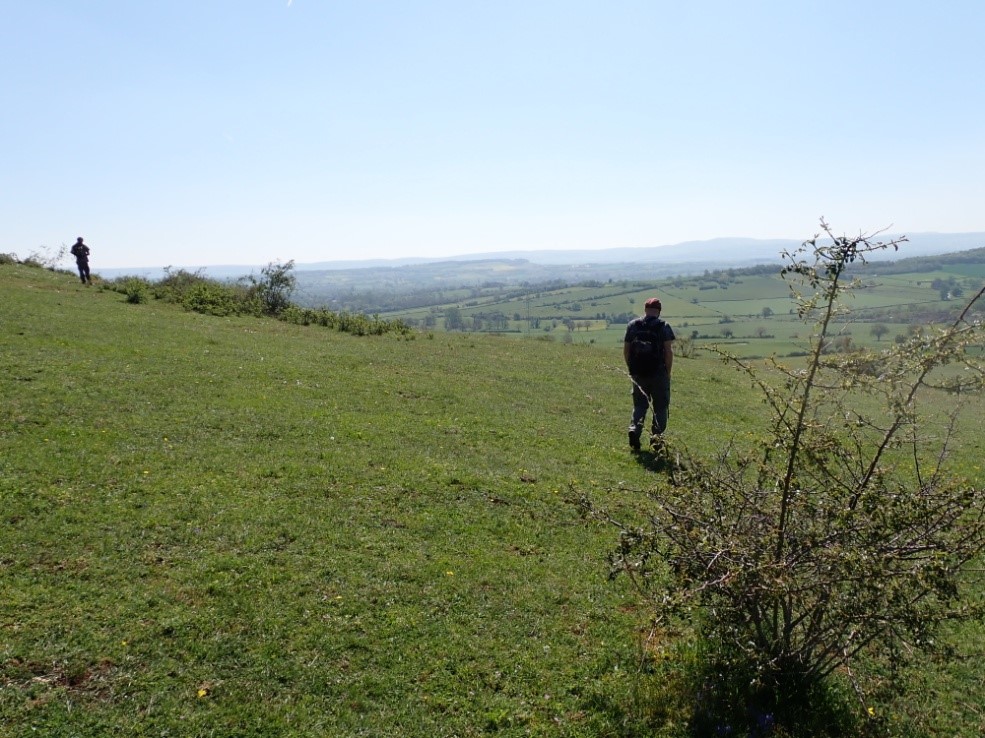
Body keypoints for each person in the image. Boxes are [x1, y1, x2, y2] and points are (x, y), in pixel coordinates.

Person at [624, 297, 675, 451]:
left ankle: (634, 429)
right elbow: (668, 352)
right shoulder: (663, 326)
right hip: (658, 374)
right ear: (659, 311)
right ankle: (657, 440)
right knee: (660, 408)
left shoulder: (633, 325)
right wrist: (668, 372)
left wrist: (631, 369)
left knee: (639, 405)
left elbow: (626, 350)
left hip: (638, 373)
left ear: (645, 309)